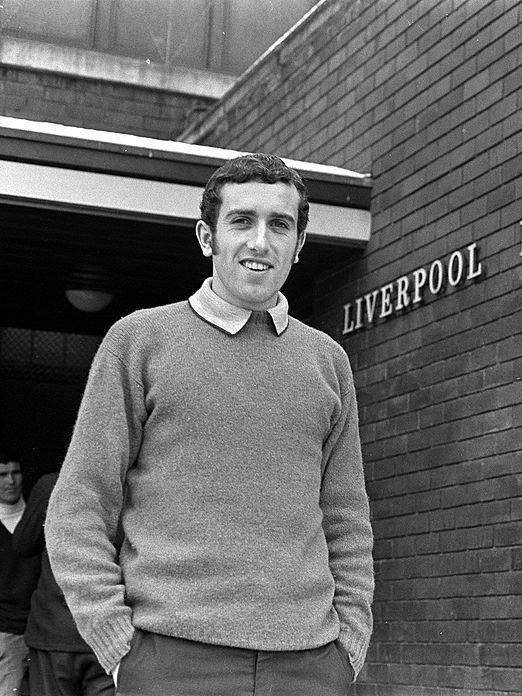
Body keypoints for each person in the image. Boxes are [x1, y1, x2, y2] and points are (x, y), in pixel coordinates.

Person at [45, 153, 374, 696]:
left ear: (299, 244)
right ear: (207, 236)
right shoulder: (140, 342)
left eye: (280, 225)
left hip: (310, 666)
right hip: (169, 659)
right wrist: (117, 643)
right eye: (241, 221)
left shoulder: (328, 361)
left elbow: (346, 517)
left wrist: (349, 645)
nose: (260, 242)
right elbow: (80, 501)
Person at [12, 472, 113, 696]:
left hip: (54, 631)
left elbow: (23, 544)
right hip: (106, 631)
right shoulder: (124, 484)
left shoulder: (52, 485)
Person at [0, 450, 41, 695]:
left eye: (15, 472)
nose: (10, 481)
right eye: (2, 474)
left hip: (41, 628)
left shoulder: (38, 519)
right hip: (6, 631)